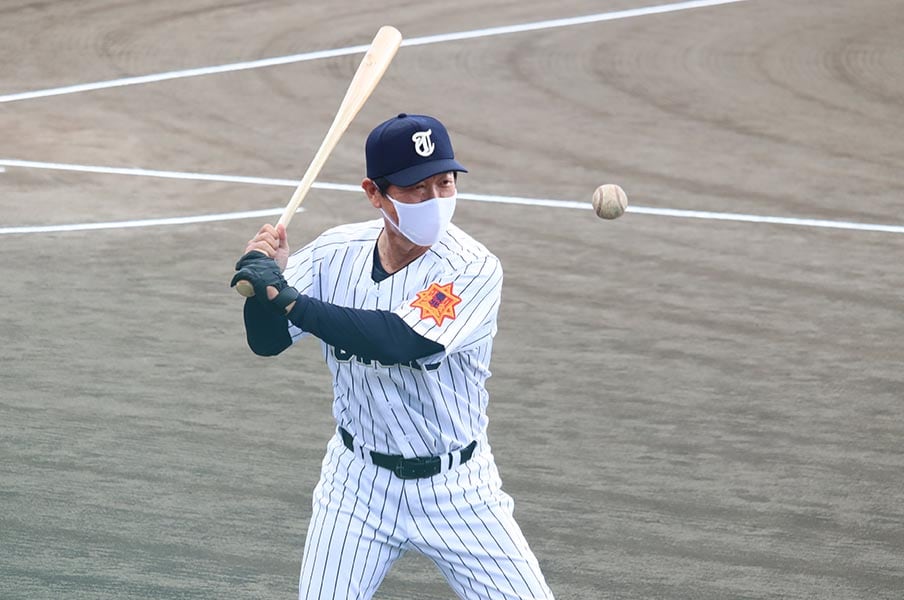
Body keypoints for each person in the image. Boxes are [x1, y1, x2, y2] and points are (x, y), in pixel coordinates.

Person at [231, 113, 554, 600]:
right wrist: (262, 291)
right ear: (374, 193)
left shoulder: (473, 267)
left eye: (444, 183)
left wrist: (287, 298)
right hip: (356, 486)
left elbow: (399, 341)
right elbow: (267, 341)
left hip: (458, 489)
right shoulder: (334, 253)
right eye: (416, 188)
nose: (435, 199)